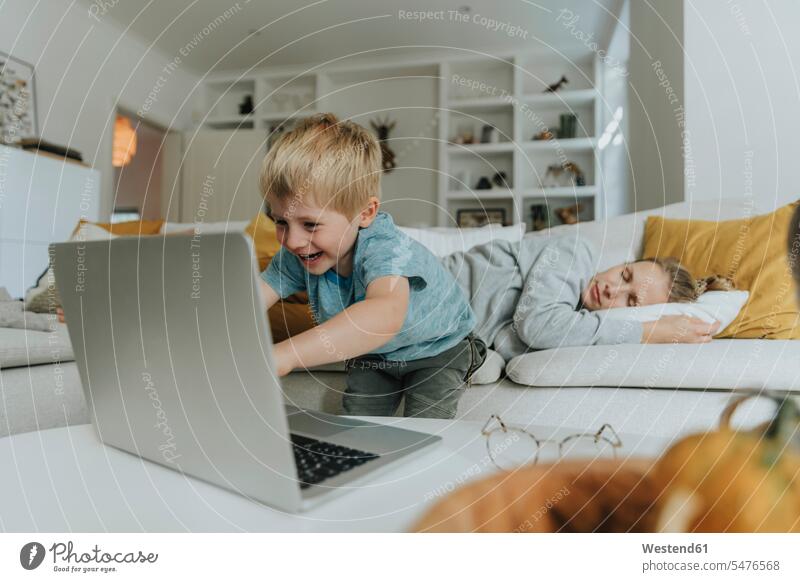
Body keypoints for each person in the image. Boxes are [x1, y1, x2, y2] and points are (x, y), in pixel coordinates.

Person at [258, 113, 484, 419]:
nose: (294, 240)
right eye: (281, 221)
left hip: (438, 347)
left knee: (424, 426)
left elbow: (384, 315)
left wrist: (284, 355)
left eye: (310, 224)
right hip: (375, 355)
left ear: (365, 213)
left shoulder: (385, 247)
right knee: (358, 425)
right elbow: (250, 299)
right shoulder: (298, 253)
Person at [441, 235, 732, 361]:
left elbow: (508, 344)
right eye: (625, 275)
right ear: (624, 262)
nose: (611, 290)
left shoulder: (577, 325)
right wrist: (648, 330)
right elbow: (536, 326)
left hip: (432, 330)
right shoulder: (577, 253)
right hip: (425, 284)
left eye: (629, 302)